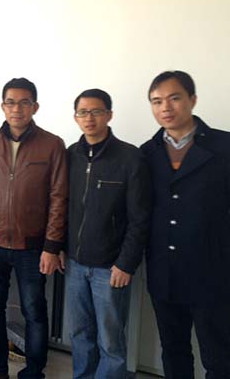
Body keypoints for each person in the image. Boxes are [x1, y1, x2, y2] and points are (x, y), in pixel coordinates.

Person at [141, 70, 230, 379]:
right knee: (173, 349)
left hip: (210, 270)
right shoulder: (147, 152)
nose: (165, 107)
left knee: (216, 355)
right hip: (164, 269)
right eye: (156, 101)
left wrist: (223, 249)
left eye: (174, 98)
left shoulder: (228, 146)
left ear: (192, 100)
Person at [0, 77, 67, 379]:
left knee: (34, 311)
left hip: (32, 247)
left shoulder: (52, 145)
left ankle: (33, 372)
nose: (17, 109)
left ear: (35, 107)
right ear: (2, 106)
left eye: (24, 103)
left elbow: (59, 197)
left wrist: (52, 245)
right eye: (11, 102)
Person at [62, 89, 150, 378]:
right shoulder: (70, 155)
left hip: (110, 268)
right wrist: (59, 246)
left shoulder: (130, 157)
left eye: (96, 111)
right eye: (83, 112)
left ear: (109, 115)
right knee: (79, 334)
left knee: (110, 340)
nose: (89, 118)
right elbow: (62, 205)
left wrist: (126, 264)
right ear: (75, 117)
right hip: (74, 264)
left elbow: (140, 217)